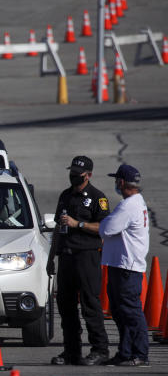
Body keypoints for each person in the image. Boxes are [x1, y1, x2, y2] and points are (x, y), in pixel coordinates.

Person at [47, 156, 109, 365]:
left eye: (78, 174)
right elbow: (57, 228)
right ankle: (71, 350)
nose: (73, 176)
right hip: (66, 257)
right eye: (71, 172)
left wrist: (78, 224)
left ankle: (99, 349)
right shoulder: (65, 196)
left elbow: (104, 228)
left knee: (90, 304)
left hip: (87, 256)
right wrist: (51, 258)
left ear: (88, 175)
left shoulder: (97, 197)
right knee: (66, 306)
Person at [98, 164, 150, 366]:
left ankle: (139, 353)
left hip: (126, 267)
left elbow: (107, 228)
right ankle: (126, 352)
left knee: (130, 311)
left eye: (116, 180)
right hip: (123, 265)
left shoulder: (128, 205)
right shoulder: (136, 203)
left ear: (121, 182)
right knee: (120, 311)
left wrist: (104, 223)